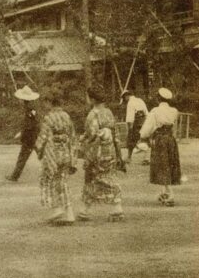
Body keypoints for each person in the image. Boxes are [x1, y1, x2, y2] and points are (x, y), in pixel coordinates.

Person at [79, 87, 124, 222]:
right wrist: (118, 153)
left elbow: (92, 135)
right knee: (108, 177)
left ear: (92, 99)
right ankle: (87, 209)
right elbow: (115, 133)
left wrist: (83, 141)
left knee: (91, 178)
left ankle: (87, 209)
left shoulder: (93, 114)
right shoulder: (108, 112)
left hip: (97, 151)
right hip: (109, 150)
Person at [34, 94, 78, 224]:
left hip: (53, 154)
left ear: (50, 103)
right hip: (65, 153)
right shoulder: (66, 117)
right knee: (63, 181)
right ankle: (69, 212)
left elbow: (43, 137)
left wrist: (38, 148)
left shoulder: (49, 118)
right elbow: (72, 136)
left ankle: (57, 208)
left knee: (51, 180)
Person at [139, 88, 182, 206]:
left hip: (160, 140)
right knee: (169, 164)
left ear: (158, 98)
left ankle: (170, 194)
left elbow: (148, 128)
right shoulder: (174, 111)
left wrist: (143, 135)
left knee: (162, 165)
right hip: (170, 139)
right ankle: (163, 192)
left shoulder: (155, 111)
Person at [7, 85, 40, 182]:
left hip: (29, 136)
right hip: (33, 135)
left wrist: (22, 133)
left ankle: (14, 176)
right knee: (40, 154)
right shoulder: (30, 107)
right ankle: (14, 175)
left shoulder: (29, 108)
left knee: (23, 156)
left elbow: (30, 123)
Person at [121, 89, 148, 164]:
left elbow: (130, 117)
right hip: (143, 122)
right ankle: (146, 158)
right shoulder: (140, 100)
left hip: (136, 123)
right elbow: (146, 112)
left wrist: (130, 127)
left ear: (126, 96)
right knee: (143, 139)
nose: (125, 100)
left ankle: (129, 157)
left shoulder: (130, 102)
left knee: (131, 140)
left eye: (124, 98)